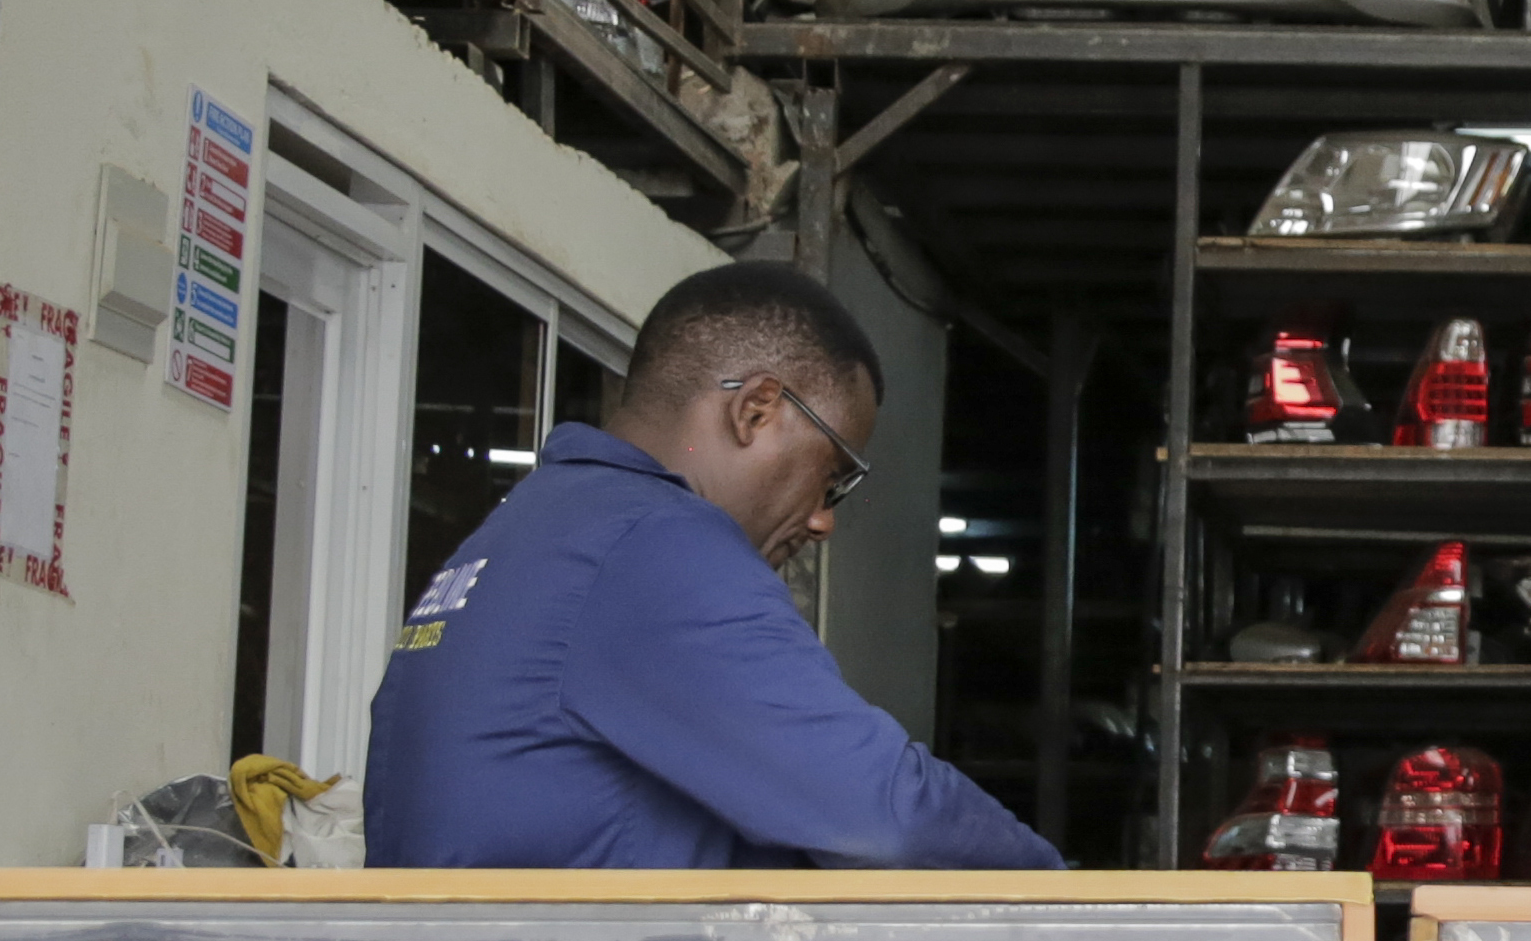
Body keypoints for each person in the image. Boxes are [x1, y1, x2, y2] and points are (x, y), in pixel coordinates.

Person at [367, 260, 1061, 870]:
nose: (824, 518)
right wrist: (1088, 922)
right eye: (833, 474)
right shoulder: (655, 542)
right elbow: (888, 818)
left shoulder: (532, 527)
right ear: (756, 410)